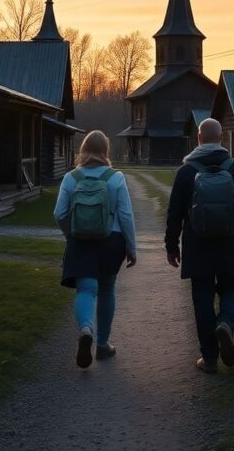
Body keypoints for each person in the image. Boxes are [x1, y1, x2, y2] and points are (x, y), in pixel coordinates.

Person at [165, 118, 234, 373]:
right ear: (221, 139)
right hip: (229, 244)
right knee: (231, 289)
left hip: (197, 247)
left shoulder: (186, 171)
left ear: (198, 139)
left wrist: (171, 245)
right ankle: (226, 324)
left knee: (202, 299)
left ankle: (209, 359)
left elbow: (174, 213)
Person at [54, 130, 137, 368]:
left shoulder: (71, 177)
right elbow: (126, 215)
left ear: (84, 150)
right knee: (107, 289)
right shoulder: (116, 177)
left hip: (80, 240)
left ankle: (85, 329)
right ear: (105, 152)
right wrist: (131, 248)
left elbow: (59, 213)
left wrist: (71, 234)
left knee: (86, 289)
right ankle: (102, 345)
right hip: (111, 241)